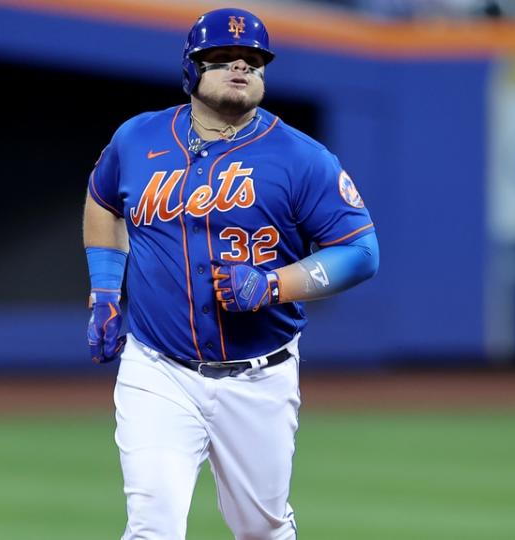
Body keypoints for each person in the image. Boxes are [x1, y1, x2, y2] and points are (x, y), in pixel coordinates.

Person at [82, 7, 379, 539]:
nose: (240, 67)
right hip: (158, 370)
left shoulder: (301, 158)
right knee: (152, 525)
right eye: (222, 57)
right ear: (191, 68)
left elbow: (360, 251)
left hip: (259, 376)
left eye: (253, 60)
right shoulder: (137, 139)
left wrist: (273, 285)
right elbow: (103, 199)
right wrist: (105, 289)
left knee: (260, 529)